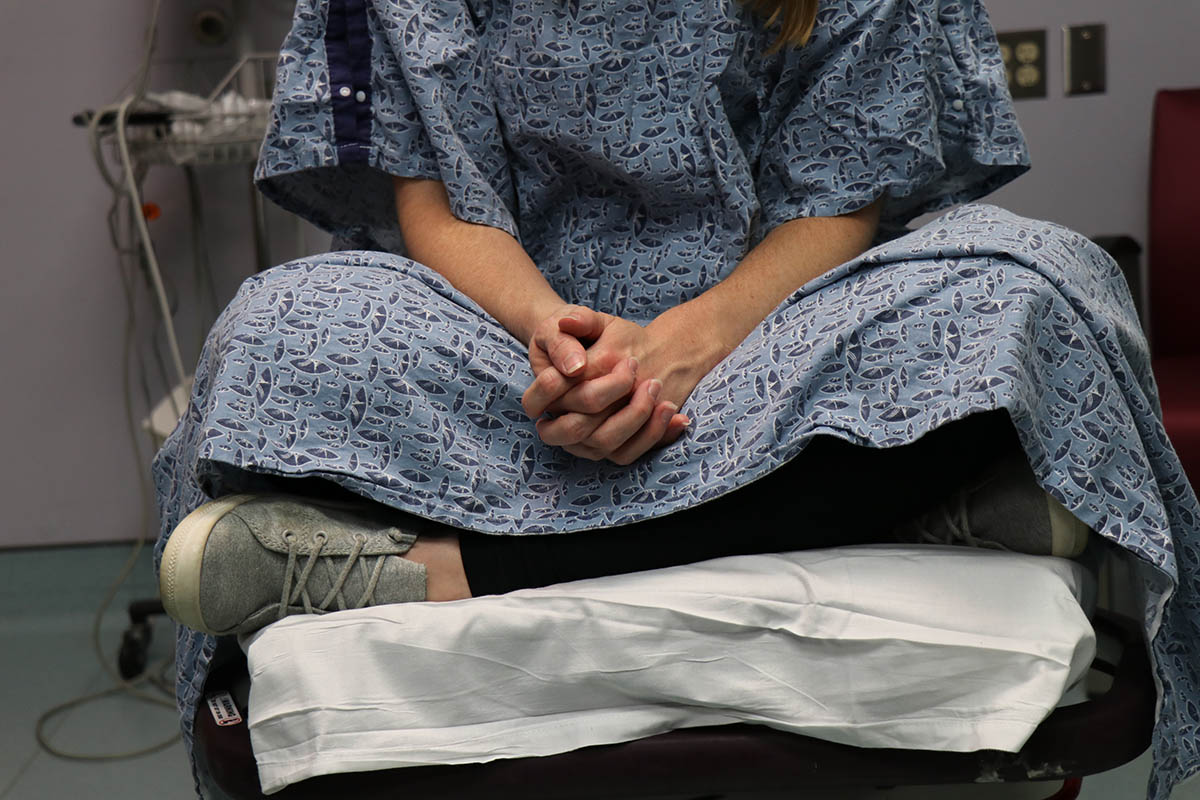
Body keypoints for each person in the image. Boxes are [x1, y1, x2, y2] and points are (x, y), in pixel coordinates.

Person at [151, 0, 1200, 797]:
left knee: (1027, 295)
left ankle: (458, 566)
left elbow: (841, 198)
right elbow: (434, 206)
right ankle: (914, 504)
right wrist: (556, 341)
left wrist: (681, 350)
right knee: (271, 336)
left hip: (773, 329)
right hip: (503, 342)